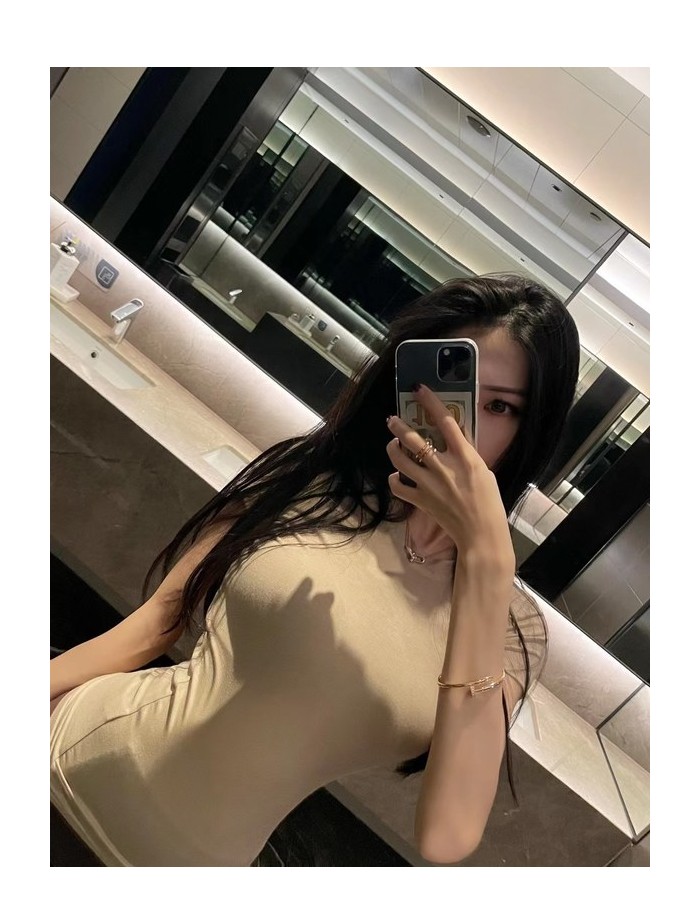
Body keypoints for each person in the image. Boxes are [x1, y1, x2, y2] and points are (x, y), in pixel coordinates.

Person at [50, 273, 580, 867]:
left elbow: (447, 836)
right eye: (454, 390)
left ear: (531, 431)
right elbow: (158, 621)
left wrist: (486, 565)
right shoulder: (317, 480)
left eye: (501, 406)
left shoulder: (509, 627)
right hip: (66, 763)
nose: (460, 427)